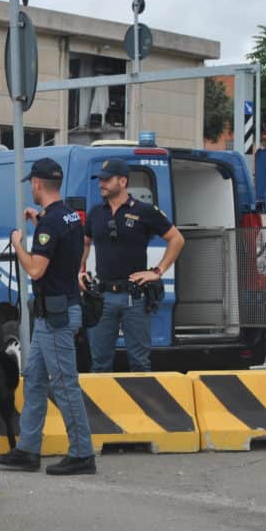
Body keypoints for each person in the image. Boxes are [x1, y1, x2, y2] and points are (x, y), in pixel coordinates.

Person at [0, 158, 96, 476]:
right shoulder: (68, 217)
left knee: (65, 385)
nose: (32, 189)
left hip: (55, 318)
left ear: (37, 184)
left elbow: (37, 268)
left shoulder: (51, 223)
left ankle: (82, 454)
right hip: (55, 312)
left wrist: (18, 246)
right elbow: (63, 248)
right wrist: (38, 221)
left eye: (32, 185)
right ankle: (27, 449)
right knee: (35, 380)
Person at [80, 158, 185, 372]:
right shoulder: (96, 213)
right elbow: (85, 243)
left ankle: (142, 405)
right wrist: (79, 271)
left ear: (122, 181)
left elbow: (177, 239)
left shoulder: (144, 211)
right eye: (100, 180)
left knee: (140, 362)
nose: (101, 184)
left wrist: (157, 271)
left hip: (134, 297)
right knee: (99, 363)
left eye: (107, 180)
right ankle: (101, 406)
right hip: (103, 297)